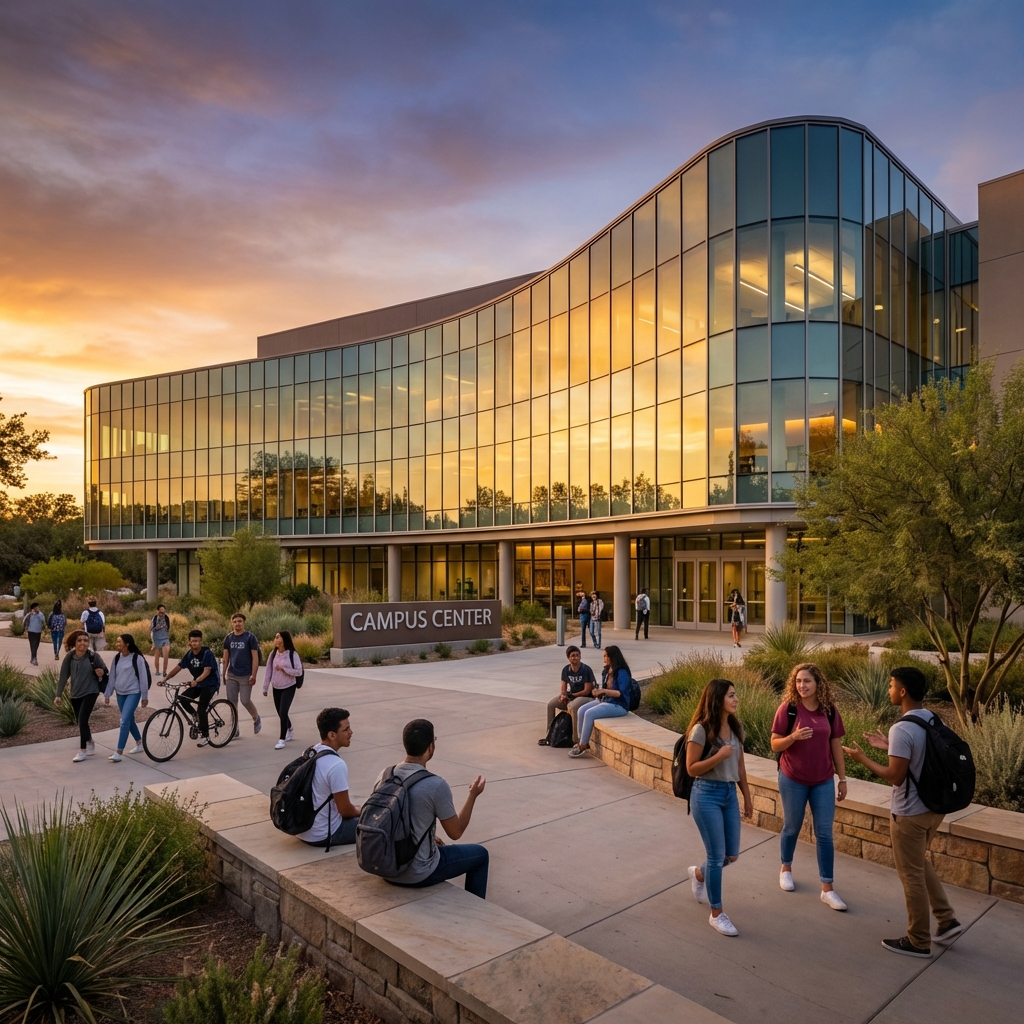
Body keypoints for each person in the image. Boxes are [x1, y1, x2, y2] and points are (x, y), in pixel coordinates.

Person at [843, 666, 961, 957]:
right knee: (919, 863)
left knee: (911, 875)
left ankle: (918, 940)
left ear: (904, 691)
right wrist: (888, 746)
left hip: (909, 812)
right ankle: (946, 920)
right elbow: (921, 757)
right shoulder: (930, 719)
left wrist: (863, 758)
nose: (889, 689)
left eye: (892, 685)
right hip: (934, 809)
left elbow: (895, 777)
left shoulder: (902, 727)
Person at [377, 718, 489, 898]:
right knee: (480, 855)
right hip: (418, 873)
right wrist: (473, 795)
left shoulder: (386, 774)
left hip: (385, 867)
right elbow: (456, 832)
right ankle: (477, 915)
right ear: (430, 747)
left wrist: (427, 835)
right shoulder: (435, 784)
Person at [770, 663, 849, 911]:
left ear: (818, 684)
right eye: (798, 681)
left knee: (824, 833)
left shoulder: (829, 711)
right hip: (792, 777)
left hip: (823, 779)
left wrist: (843, 779)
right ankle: (786, 868)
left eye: (807, 681)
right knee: (792, 826)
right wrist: (792, 737)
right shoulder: (788, 709)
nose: (802, 686)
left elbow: (835, 744)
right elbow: (774, 744)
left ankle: (827, 888)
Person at [685, 678, 754, 937]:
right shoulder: (701, 730)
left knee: (731, 855)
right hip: (706, 795)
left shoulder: (736, 729)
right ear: (717, 700)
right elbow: (692, 768)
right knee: (716, 855)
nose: (736, 699)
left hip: (728, 795)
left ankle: (700, 873)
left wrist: (746, 796)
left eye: (736, 695)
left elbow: (740, 767)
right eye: (731, 696)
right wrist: (717, 756)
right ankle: (717, 914)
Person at [297, 707, 361, 847]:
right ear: (332, 735)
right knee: (381, 821)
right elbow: (344, 810)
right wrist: (359, 810)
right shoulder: (336, 765)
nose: (351, 732)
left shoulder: (310, 752)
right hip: (325, 833)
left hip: (303, 829)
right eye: (346, 730)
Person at [568, 645, 631, 758]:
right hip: (606, 700)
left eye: (606, 656)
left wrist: (603, 690)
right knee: (581, 710)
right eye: (604, 656)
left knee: (589, 713)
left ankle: (583, 745)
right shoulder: (606, 671)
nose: (604, 658)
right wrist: (598, 692)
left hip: (619, 705)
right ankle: (580, 740)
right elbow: (605, 690)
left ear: (613, 657)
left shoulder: (622, 672)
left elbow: (620, 693)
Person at [54, 629, 106, 762]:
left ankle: (83, 750)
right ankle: (89, 741)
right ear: (74, 643)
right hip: (75, 693)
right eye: (80, 640)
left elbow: (105, 672)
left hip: (91, 691)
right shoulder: (70, 657)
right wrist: (58, 695)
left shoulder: (94, 657)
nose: (83, 643)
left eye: (86, 640)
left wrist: (101, 673)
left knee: (82, 720)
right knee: (81, 721)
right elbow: (63, 676)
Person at [165, 629, 220, 747]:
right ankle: (195, 716)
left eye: (197, 641)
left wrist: (195, 681)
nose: (194, 643)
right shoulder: (189, 654)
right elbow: (178, 667)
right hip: (198, 683)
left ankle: (206, 735)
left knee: (202, 708)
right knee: (183, 698)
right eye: (192, 641)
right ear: (189, 642)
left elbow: (207, 671)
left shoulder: (207, 653)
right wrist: (165, 679)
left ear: (200, 641)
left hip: (210, 683)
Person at [103, 633, 151, 761]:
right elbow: (112, 676)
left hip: (133, 693)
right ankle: (139, 743)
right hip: (120, 693)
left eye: (119, 642)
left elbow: (143, 679)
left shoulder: (137, 659)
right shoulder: (117, 658)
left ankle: (119, 752)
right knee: (128, 720)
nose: (117, 644)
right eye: (117, 641)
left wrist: (144, 696)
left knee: (124, 721)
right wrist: (108, 693)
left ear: (127, 644)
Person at [539, 645, 596, 746]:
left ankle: (575, 740)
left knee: (573, 706)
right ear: (568, 657)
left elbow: (587, 690)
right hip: (572, 696)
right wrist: (563, 696)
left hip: (586, 698)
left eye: (577, 655)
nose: (575, 658)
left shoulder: (586, 669)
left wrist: (571, 695)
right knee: (551, 704)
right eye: (573, 656)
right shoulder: (566, 670)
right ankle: (550, 735)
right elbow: (563, 688)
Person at [222, 613, 262, 738]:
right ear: (232, 623)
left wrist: (253, 674)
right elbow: (226, 657)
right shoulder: (228, 638)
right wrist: (224, 673)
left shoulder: (250, 637)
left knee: (245, 700)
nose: (237, 623)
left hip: (246, 675)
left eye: (240, 621)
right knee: (232, 703)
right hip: (232, 675)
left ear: (243, 623)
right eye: (235, 621)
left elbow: (255, 657)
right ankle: (235, 729)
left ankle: (256, 718)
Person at [263, 630, 303, 750]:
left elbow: (299, 671)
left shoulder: (292, 654)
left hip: (289, 686)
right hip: (276, 687)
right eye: (275, 637)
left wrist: (285, 669)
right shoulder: (273, 654)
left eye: (278, 637)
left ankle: (281, 739)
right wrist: (265, 687)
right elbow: (268, 671)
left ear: (284, 639)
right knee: (281, 712)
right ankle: (289, 727)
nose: (276, 639)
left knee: (283, 711)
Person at [150, 604, 172, 681]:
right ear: (158, 610)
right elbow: (152, 629)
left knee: (166, 655)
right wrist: (159, 625)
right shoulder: (155, 618)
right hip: (157, 639)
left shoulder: (166, 618)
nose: (162, 611)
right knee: (157, 656)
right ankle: (157, 671)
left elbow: (168, 628)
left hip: (165, 638)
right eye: (161, 609)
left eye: (163, 609)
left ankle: (164, 671)